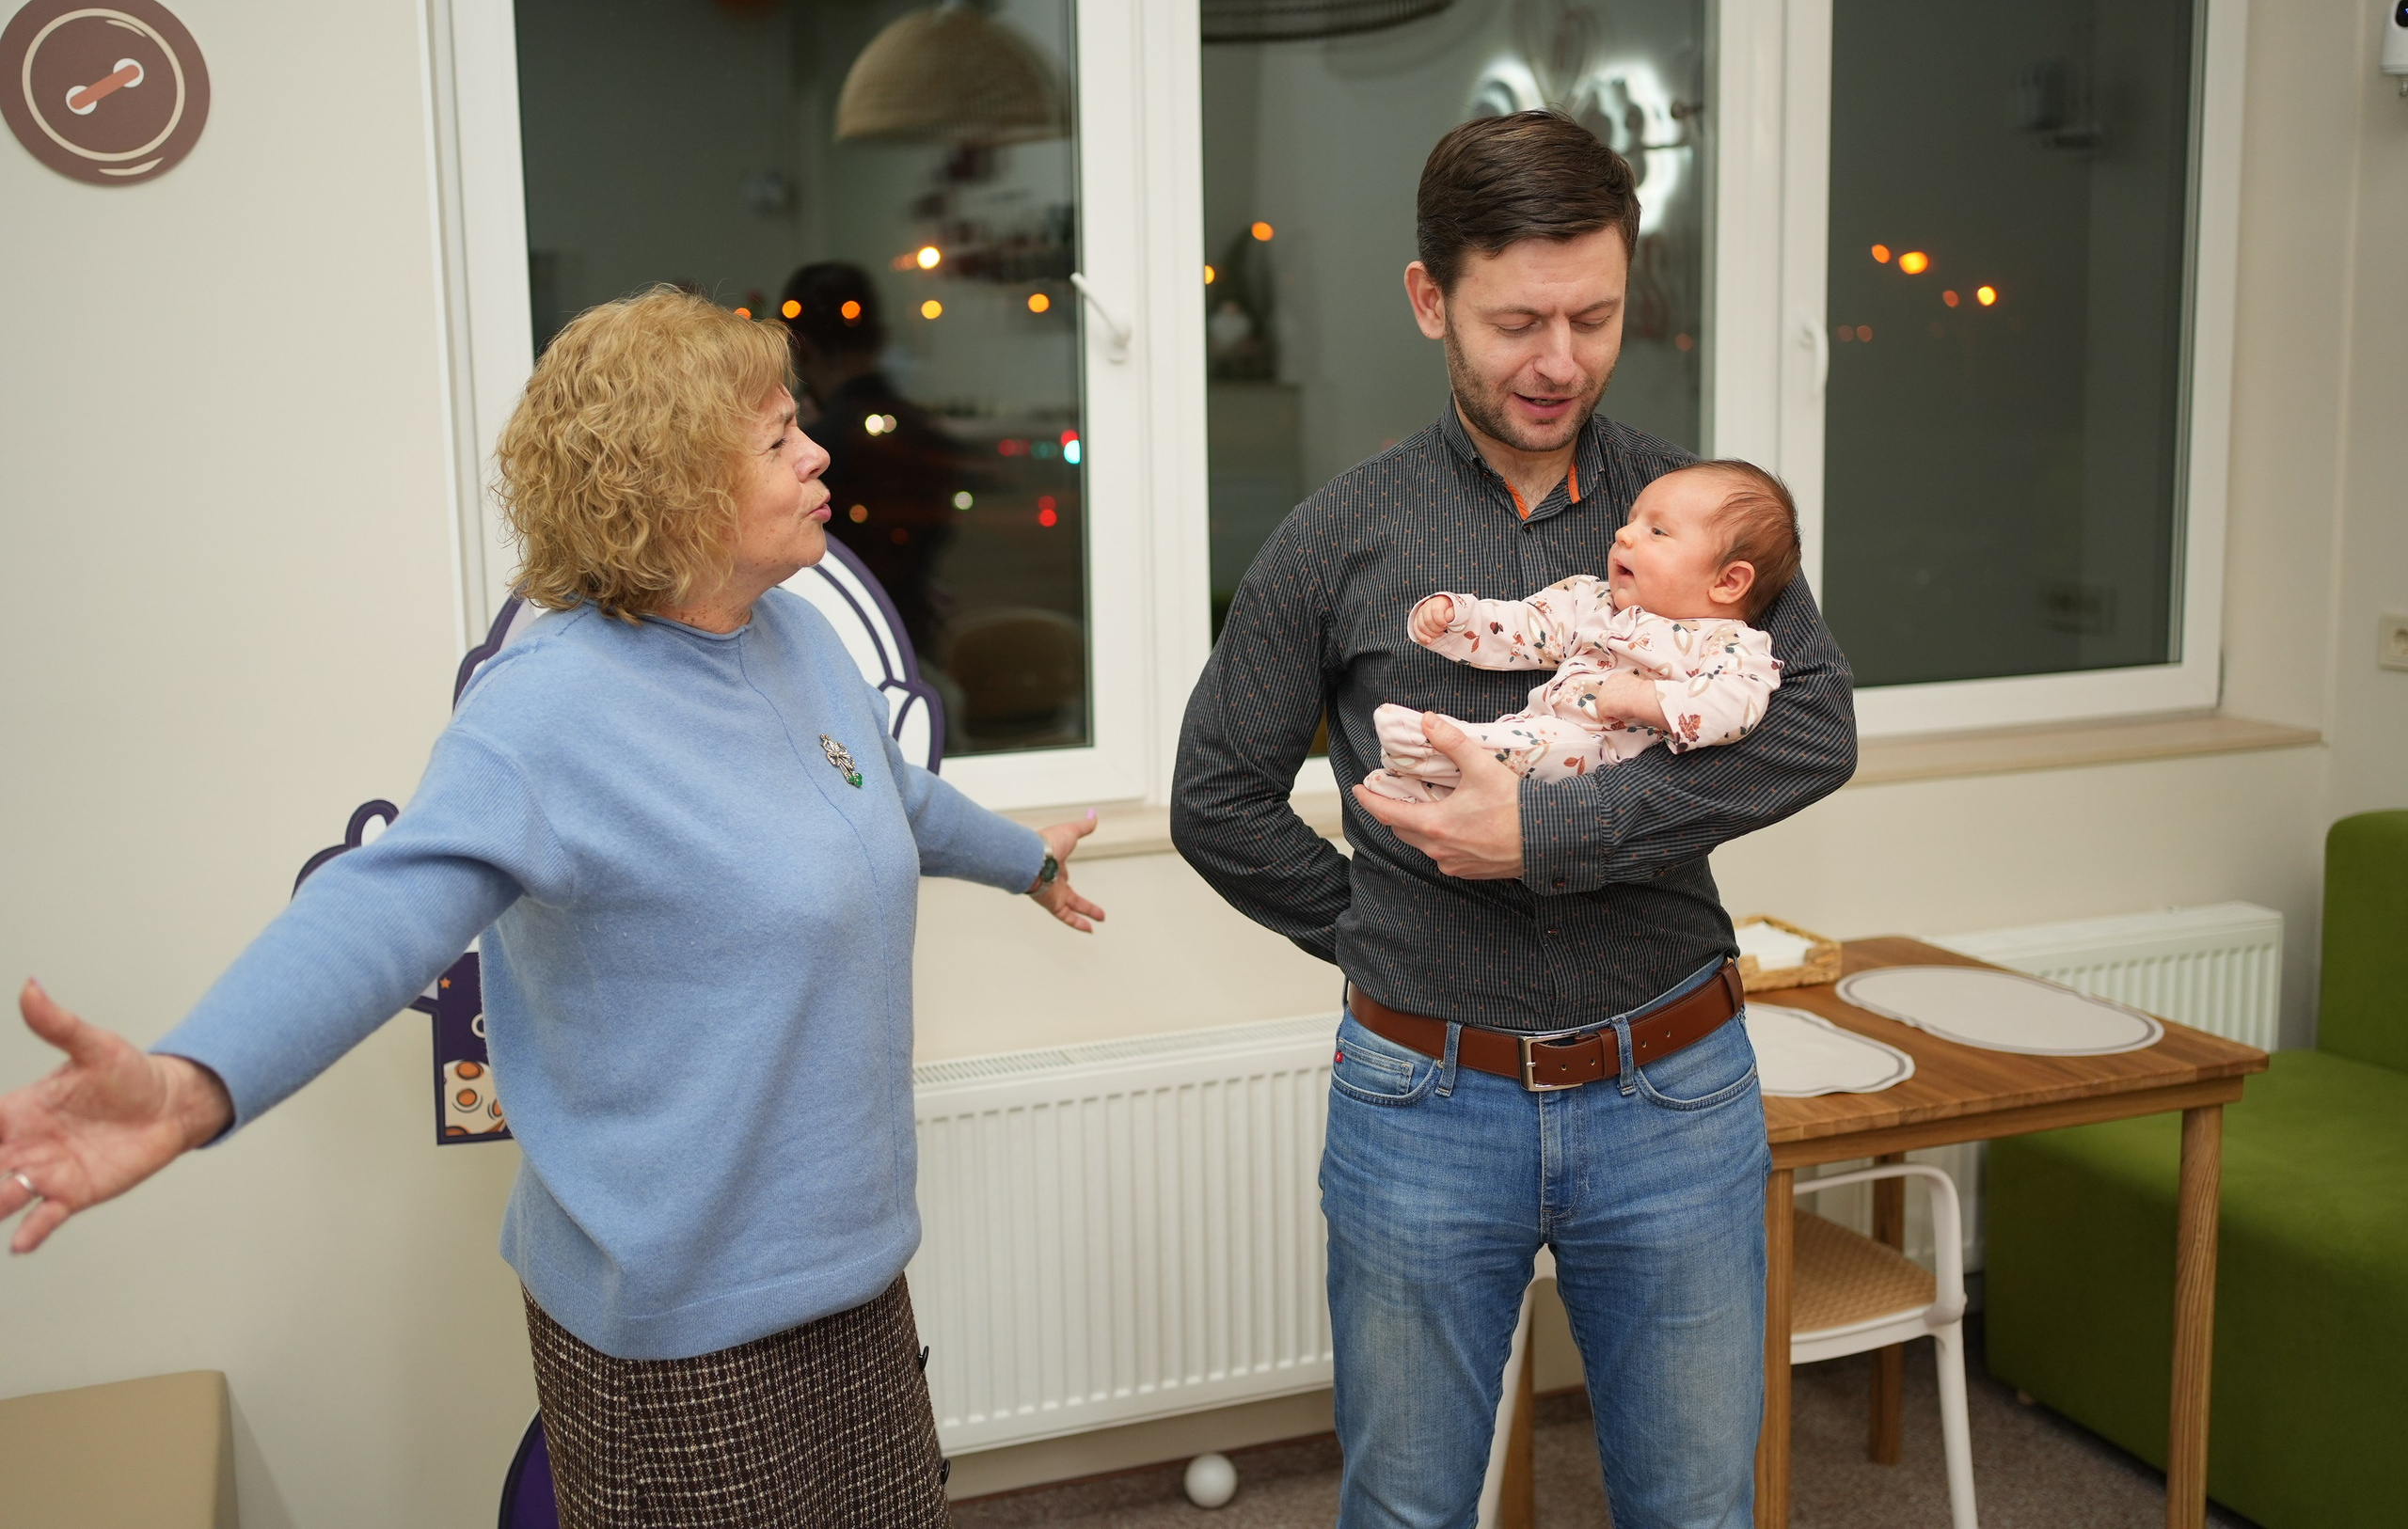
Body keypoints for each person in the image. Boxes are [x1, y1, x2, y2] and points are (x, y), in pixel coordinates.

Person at [0, 286, 1104, 1528]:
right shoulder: (550, 707)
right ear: (677, 484)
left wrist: (1025, 859)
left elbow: (885, 791)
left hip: (850, 1274)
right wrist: (190, 1080)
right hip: (682, 1323)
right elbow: (383, 907)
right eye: (779, 436)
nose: (819, 454)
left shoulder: (796, 638)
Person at [1170, 113, 1856, 1528]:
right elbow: (1216, 799)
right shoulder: (1339, 535)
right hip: (1420, 1096)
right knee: (1408, 1506)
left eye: (1594, 316)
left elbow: (1811, 726)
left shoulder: (1702, 521)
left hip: (1674, 1084)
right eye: (1517, 320)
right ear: (1432, 300)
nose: (1559, 361)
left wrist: (1548, 842)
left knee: (1693, 1505)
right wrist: (1385, 919)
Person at [1365, 461, 1794, 801]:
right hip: (1536, 727)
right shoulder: (1594, 599)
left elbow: (1738, 705)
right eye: (1631, 520)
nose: (1623, 534)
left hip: (1599, 762)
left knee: (1549, 746)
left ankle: (1440, 744)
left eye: (1657, 531)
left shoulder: (1733, 643)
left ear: (1728, 582)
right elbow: (1525, 625)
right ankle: (1423, 786)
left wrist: (1649, 700)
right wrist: (1459, 616)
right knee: (1519, 741)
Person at [780, 261, 969, 663]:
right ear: (880, 340)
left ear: (802, 349)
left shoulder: (816, 448)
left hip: (844, 637)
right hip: (915, 627)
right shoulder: (922, 429)